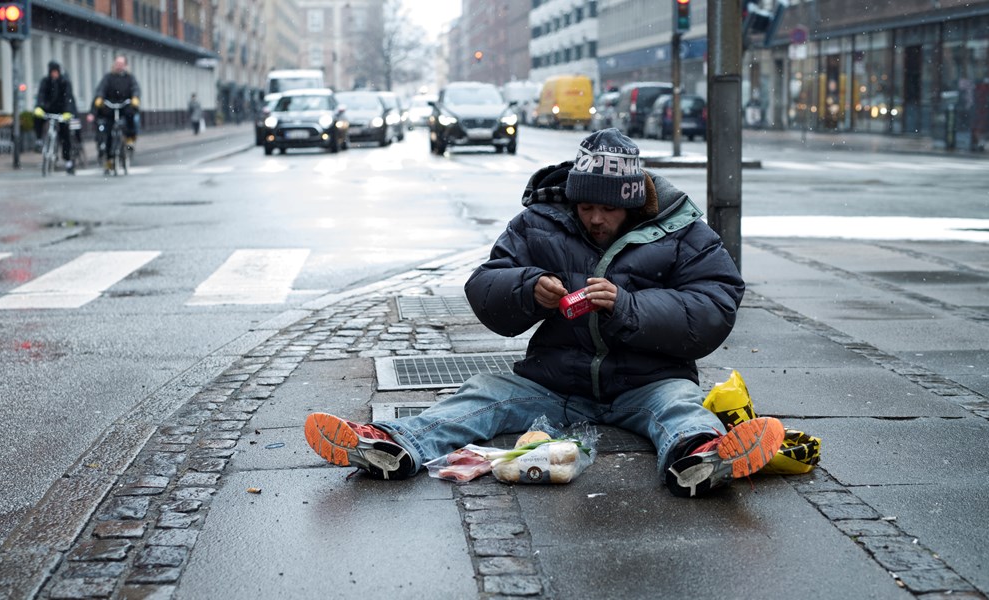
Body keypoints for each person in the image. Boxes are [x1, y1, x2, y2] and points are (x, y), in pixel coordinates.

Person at [304, 128, 784, 498]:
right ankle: (392, 445)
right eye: (587, 206)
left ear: (634, 204)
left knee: (681, 406)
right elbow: (485, 282)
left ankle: (700, 457)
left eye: (609, 210)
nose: (596, 219)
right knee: (483, 393)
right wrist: (527, 288)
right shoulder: (540, 222)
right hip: (555, 379)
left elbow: (715, 303)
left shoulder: (682, 231)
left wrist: (628, 306)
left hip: (648, 381)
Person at [93, 55, 141, 174]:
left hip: (124, 105)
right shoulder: (108, 77)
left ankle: (130, 138)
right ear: (114, 64)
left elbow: (135, 88)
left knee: (130, 115)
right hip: (111, 106)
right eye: (117, 63)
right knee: (108, 131)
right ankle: (109, 159)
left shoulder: (129, 78)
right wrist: (99, 98)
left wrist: (135, 97)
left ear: (125, 65)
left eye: (121, 63)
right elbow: (101, 88)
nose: (119, 66)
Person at [33, 61, 78, 174]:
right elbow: (41, 95)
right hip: (48, 109)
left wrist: (67, 112)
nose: (54, 74)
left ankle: (68, 161)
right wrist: (39, 107)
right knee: (37, 118)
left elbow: (68, 97)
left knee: (65, 134)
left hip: (62, 111)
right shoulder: (45, 81)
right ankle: (38, 140)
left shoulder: (65, 82)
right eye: (52, 72)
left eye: (55, 72)